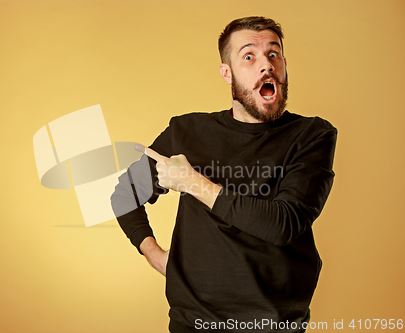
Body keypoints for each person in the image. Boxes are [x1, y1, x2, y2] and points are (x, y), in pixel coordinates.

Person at [111, 16, 337, 333]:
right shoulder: (186, 132)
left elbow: (283, 224)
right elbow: (124, 195)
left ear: (284, 65)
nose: (266, 65)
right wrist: (154, 254)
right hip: (193, 323)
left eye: (273, 55)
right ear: (226, 73)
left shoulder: (312, 135)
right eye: (249, 56)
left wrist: (193, 183)